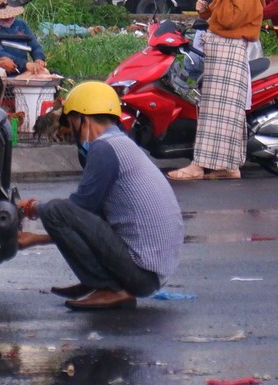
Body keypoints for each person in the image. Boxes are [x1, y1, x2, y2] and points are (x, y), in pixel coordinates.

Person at [15, 82, 183, 311]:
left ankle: (108, 288)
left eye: (72, 121)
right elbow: (88, 220)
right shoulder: (121, 144)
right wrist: (37, 239)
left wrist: (33, 208)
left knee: (55, 210)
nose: (71, 130)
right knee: (61, 212)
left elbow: (77, 210)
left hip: (141, 273)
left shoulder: (104, 148)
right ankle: (96, 283)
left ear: (83, 119)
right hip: (148, 272)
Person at [170, 0, 262, 181]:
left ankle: (199, 165)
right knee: (222, 114)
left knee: (218, 114)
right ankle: (228, 167)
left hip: (230, 54)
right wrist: (206, 11)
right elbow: (220, 17)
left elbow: (231, 20)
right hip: (220, 54)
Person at [0, 0, 46, 75]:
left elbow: (34, 45)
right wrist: (25, 64)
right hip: (2, 72)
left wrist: (39, 58)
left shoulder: (21, 24)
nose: (8, 18)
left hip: (23, 69)